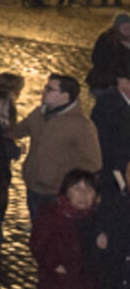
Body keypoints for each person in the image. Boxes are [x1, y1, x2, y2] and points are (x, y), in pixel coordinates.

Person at [14, 74, 101, 220]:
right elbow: (17, 131)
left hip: (57, 193)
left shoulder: (82, 126)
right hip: (33, 186)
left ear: (65, 96)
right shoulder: (39, 114)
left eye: (49, 89)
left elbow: (93, 163)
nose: (44, 91)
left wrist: (65, 183)